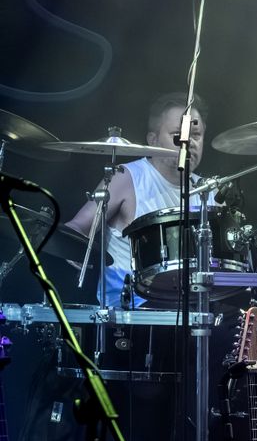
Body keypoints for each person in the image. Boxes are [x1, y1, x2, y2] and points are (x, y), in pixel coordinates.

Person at [64, 92, 210, 307]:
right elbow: (76, 228)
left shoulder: (209, 190)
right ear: (153, 139)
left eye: (196, 135)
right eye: (177, 134)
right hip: (130, 308)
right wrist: (75, 248)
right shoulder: (126, 178)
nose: (190, 143)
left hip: (192, 306)